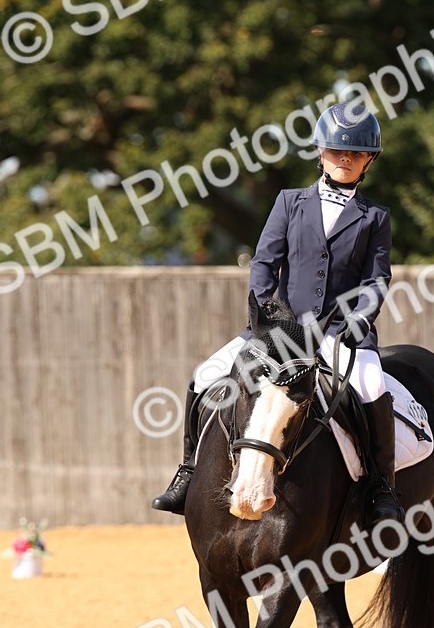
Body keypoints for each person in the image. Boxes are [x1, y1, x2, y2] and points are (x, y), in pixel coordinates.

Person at [151, 102, 405, 525]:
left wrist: (357, 320)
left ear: (368, 161)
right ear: (321, 152)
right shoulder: (289, 202)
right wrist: (267, 316)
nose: (345, 159)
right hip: (281, 329)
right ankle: (188, 472)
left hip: (339, 332)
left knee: (372, 386)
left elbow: (376, 279)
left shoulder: (375, 217)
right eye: (337, 151)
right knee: (205, 376)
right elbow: (264, 263)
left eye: (356, 153)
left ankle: (382, 487)